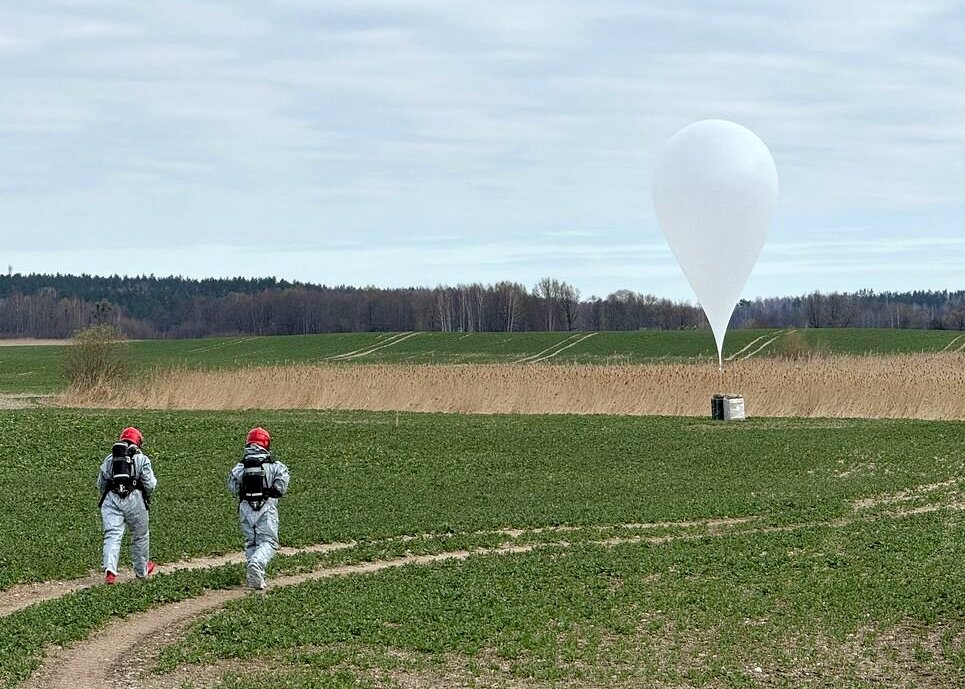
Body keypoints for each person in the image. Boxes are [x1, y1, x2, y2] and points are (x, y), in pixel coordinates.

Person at [228, 427, 290, 590]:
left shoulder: (239, 467)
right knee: (269, 541)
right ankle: (256, 564)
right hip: (266, 507)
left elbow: (233, 488)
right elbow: (281, 487)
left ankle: (254, 577)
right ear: (266, 443)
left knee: (251, 542)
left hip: (245, 508)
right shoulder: (276, 466)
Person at [97, 426, 157, 584]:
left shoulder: (110, 458)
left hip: (111, 498)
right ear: (138, 441)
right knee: (140, 536)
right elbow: (150, 484)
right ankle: (141, 571)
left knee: (112, 535)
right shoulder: (142, 458)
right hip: (135, 499)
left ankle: (110, 571)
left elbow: (101, 483)